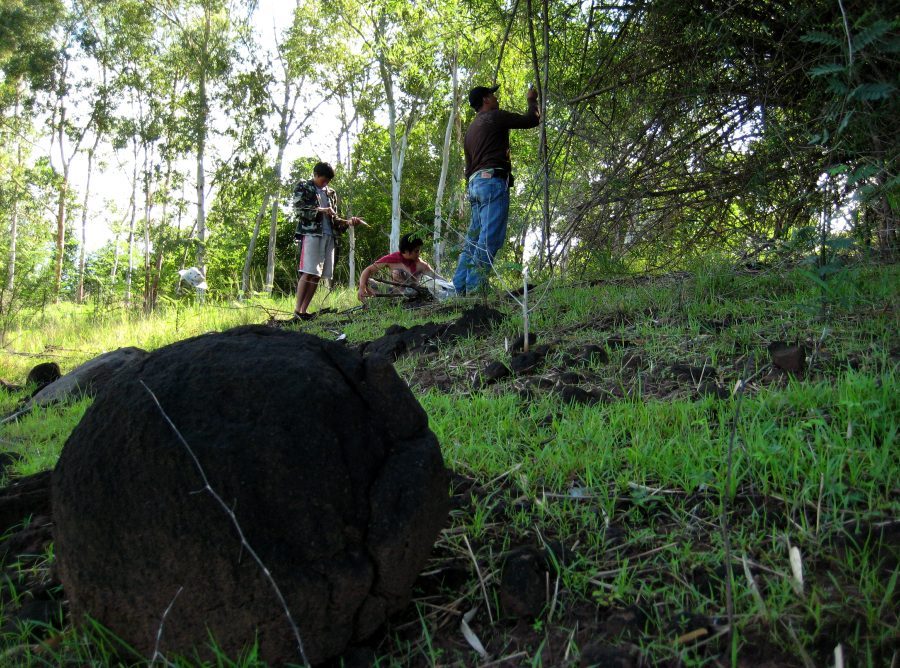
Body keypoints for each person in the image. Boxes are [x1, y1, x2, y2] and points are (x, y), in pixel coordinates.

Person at [452, 83, 540, 295]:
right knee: (490, 237)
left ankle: (460, 287)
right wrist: (531, 100)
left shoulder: (471, 129)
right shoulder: (494, 117)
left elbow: (469, 165)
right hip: (491, 182)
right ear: (486, 99)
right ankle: (475, 288)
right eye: (493, 94)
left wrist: (473, 186)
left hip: (475, 184)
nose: (496, 98)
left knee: (473, 239)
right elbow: (532, 120)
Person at [292, 161, 362, 320]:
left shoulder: (331, 193)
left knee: (317, 275)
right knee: (308, 272)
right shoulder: (303, 187)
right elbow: (298, 209)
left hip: (329, 235)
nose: (326, 183)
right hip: (311, 234)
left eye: (328, 181)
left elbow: (335, 219)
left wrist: (349, 222)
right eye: (323, 180)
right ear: (315, 175)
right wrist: (321, 210)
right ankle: (297, 311)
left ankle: (304, 311)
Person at [357, 233, 438, 302]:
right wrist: (362, 287)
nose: (418, 254)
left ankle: (402, 301)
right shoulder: (391, 259)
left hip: (415, 296)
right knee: (366, 281)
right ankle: (372, 303)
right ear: (406, 251)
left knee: (397, 273)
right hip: (393, 293)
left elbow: (436, 278)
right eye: (416, 251)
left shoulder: (421, 264)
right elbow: (368, 270)